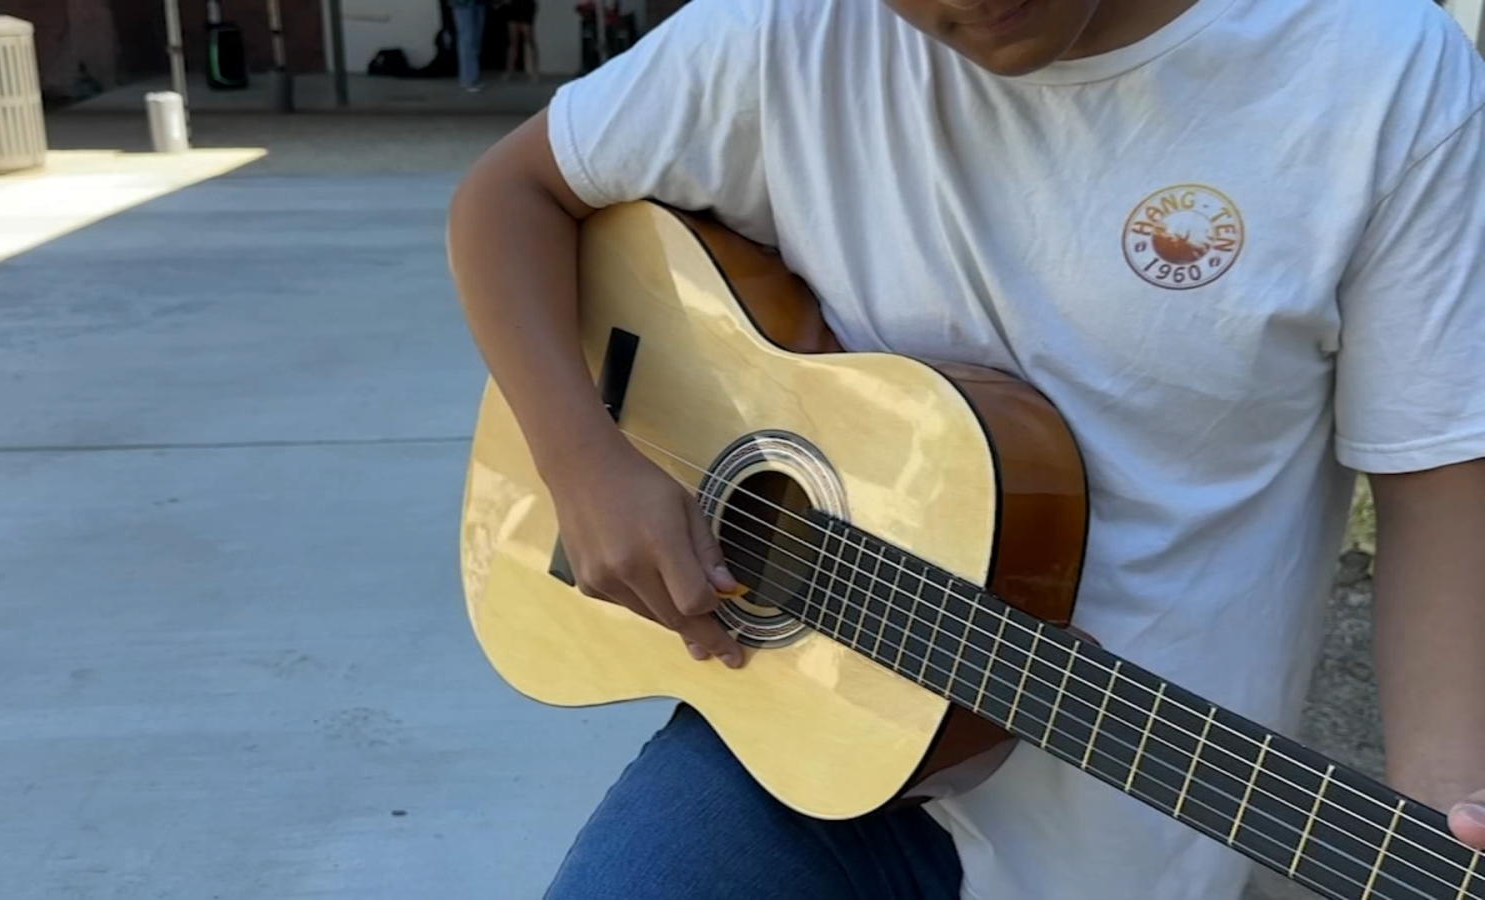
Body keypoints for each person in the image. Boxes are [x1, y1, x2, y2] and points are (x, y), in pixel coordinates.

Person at [445, 0, 1485, 897]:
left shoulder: (1374, 73)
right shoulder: (787, 34)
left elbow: (1442, 486)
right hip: (797, 738)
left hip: (1125, 811)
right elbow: (512, 195)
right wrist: (584, 461)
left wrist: (1445, 819)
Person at [450, 0, 487, 92]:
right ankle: (467, 79)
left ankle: (473, 76)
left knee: (476, 39)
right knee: (467, 38)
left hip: (478, 3)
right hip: (462, 3)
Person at [499, 0, 539, 82]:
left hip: (526, 5)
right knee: (513, 40)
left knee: (528, 39)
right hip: (512, 5)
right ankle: (509, 70)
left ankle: (533, 71)